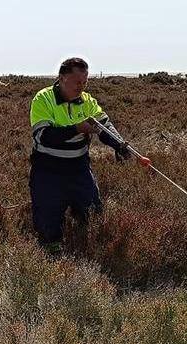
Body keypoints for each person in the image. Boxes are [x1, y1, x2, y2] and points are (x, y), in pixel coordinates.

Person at [29, 57, 136, 254]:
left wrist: (119, 144)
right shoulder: (43, 100)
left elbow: (105, 126)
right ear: (62, 78)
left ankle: (85, 249)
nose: (82, 86)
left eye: (85, 82)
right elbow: (44, 137)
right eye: (77, 82)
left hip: (78, 169)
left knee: (92, 213)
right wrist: (76, 128)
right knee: (48, 222)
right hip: (48, 171)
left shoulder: (87, 102)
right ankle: (51, 257)